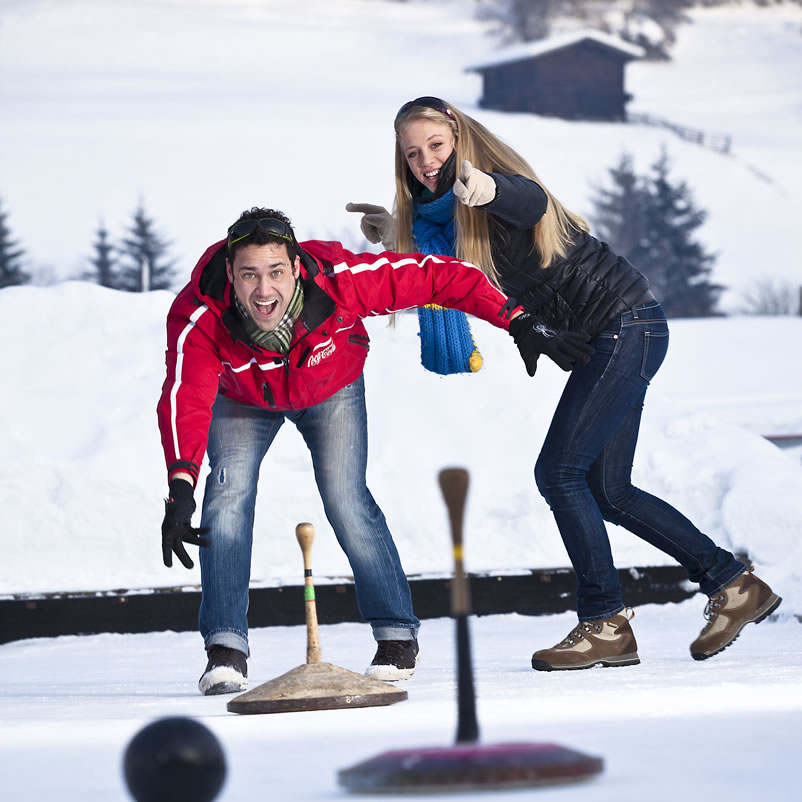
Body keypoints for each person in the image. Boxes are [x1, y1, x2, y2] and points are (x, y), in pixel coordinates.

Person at [347, 96, 782, 671]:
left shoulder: (499, 188)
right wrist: (397, 238)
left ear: (460, 139)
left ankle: (604, 620)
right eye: (413, 153)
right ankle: (732, 585)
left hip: (625, 325)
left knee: (559, 472)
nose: (426, 160)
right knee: (609, 489)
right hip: (620, 332)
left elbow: (528, 203)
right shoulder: (442, 221)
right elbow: (448, 273)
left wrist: (489, 190)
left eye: (436, 146)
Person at [156, 206, 540, 695]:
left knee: (345, 497)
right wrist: (180, 484)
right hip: (244, 395)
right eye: (249, 275)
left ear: (295, 266)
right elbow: (183, 395)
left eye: (275, 272)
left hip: (330, 384)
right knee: (225, 498)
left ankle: (397, 634)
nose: (263, 290)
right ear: (230, 274)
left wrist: (515, 319)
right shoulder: (199, 313)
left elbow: (439, 277)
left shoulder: (340, 280)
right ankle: (225, 649)